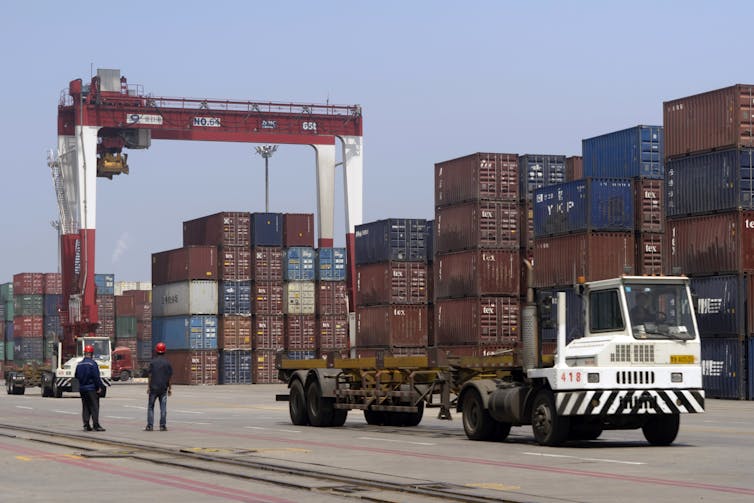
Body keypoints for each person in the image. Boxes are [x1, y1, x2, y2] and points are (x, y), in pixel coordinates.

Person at [75, 344, 106, 432]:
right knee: (94, 406)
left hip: (82, 388)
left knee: (85, 406)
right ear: (91, 353)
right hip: (91, 388)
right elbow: (96, 377)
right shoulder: (93, 364)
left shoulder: (79, 364)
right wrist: (99, 386)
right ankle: (96, 425)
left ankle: (86, 424)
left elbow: (76, 375)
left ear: (85, 353)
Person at [146, 342, 173, 431]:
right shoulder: (167, 363)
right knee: (163, 408)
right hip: (163, 389)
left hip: (153, 388)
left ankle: (150, 426)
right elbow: (169, 377)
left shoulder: (152, 362)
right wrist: (170, 388)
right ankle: (162, 425)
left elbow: (150, 376)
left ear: (156, 351)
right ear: (164, 351)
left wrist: (148, 387)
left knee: (151, 407)